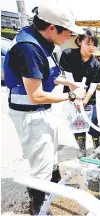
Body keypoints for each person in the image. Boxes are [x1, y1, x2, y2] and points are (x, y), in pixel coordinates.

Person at [3, 3, 85, 214]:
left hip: (40, 111)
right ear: (51, 27)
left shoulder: (40, 41)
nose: (69, 36)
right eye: (67, 31)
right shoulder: (29, 49)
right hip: (30, 113)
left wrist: (69, 83)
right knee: (41, 161)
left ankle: (55, 185)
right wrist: (73, 95)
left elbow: (46, 73)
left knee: (51, 151)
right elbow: (36, 95)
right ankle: (39, 205)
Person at [59, 29, 100, 158]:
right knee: (77, 123)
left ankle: (98, 149)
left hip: (89, 99)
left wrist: (84, 100)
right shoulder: (68, 54)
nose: (91, 47)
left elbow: (93, 85)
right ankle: (82, 148)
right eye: (88, 43)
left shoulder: (96, 64)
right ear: (79, 41)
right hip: (72, 96)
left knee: (93, 124)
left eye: (94, 44)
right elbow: (69, 78)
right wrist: (76, 99)